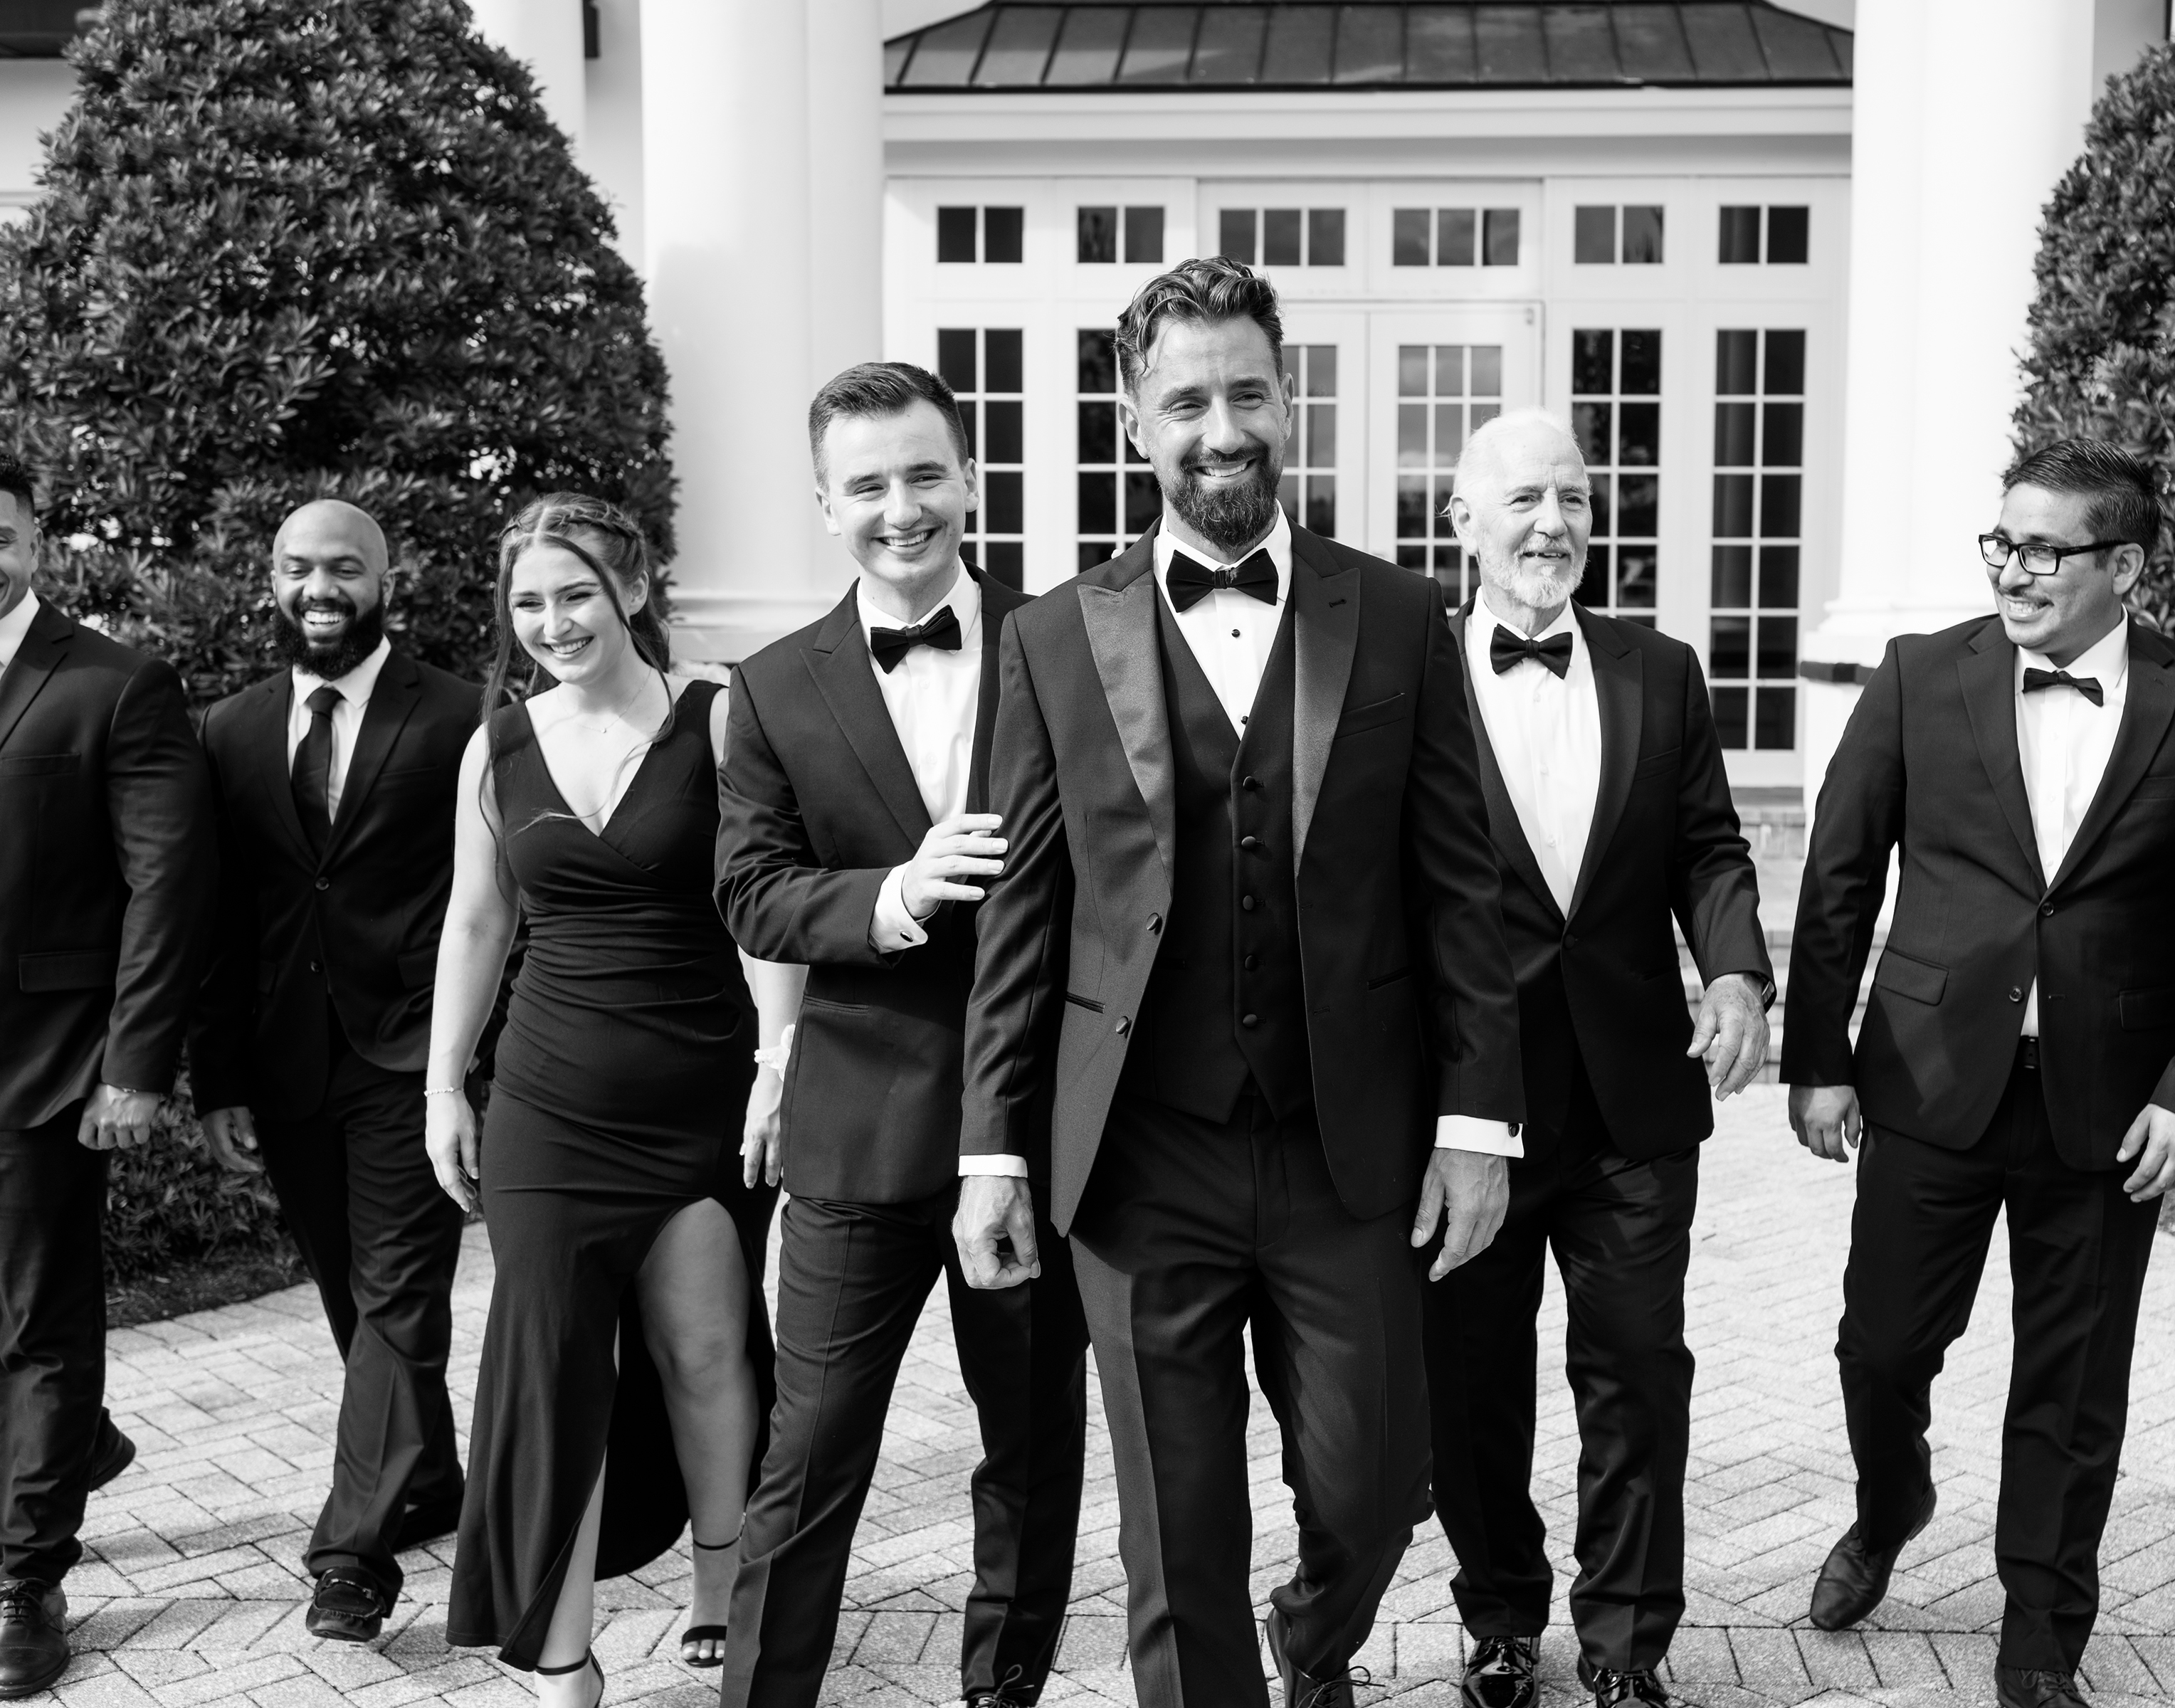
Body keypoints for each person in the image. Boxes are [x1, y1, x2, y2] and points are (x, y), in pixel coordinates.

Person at [952, 256, 1524, 1708]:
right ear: (1134, 422)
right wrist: (992, 1151)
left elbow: (1460, 888)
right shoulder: (1050, 637)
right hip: (1139, 1155)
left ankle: (1312, 1638)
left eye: (1249, 395)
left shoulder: (1394, 614)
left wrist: (1477, 1123)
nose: (1224, 430)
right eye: (1188, 402)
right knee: (1174, 1531)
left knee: (1378, 1481)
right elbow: (1024, 912)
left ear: (1290, 401)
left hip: (1349, 1147)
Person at [1784, 440, 2175, 1708]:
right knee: (1882, 1349)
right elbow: (1838, 875)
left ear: (2126, 567)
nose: (2014, 571)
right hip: (1927, 1079)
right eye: (2002, 543)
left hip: (2115, 1103)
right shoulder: (1918, 673)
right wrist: (1818, 1060)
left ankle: (2041, 1638)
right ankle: (1891, 1505)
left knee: (2074, 1382)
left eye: (2045, 550)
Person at [714, 363, 1089, 1708]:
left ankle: (1004, 1689)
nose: (902, 508)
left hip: (1039, 1126)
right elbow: (750, 890)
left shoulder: (1072, 640)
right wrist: (890, 896)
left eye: (926, 474)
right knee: (808, 1459)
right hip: (857, 1127)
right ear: (826, 504)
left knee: (1033, 1452)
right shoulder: (771, 687)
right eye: (867, 485)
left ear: (969, 478)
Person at [1421, 410, 1771, 1708]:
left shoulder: (1659, 670)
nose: (1552, 523)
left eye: (1571, 497)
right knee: (1473, 1383)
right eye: (1523, 499)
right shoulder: (1408, 672)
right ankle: (1500, 1617)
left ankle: (1629, 1641)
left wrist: (1735, 971)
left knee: (1636, 1373)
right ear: (1464, 522)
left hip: (1633, 1095)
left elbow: (1709, 846)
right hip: (1470, 1104)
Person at [425, 494, 794, 1707]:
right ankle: (561, 1655)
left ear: (632, 589)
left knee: (703, 1347)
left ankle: (723, 1581)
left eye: (576, 592)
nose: (554, 621)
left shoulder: (722, 717)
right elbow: (477, 921)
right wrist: (443, 1085)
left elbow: (764, 904)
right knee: (551, 1367)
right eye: (529, 602)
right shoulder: (498, 745)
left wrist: (777, 1063)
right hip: (546, 1100)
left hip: (698, 1089)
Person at [187, 499, 480, 1643]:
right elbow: (222, 916)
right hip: (288, 1065)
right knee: (355, 1301)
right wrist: (219, 1078)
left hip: (417, 1057)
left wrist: (477, 1062)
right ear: (272, 579)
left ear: (385, 581)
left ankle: (352, 1554)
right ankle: (430, 1480)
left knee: (399, 1295)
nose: (322, 588)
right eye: (299, 568)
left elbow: (496, 902)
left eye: (346, 568)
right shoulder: (231, 729)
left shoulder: (461, 715)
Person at [0, 448, 216, 1699]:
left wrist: (134, 1066)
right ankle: (73, 1438)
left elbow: (165, 886)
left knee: (37, 1321)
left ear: (36, 540)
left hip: (41, 1065)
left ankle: (25, 1577)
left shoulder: (115, 684)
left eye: (1, 534)